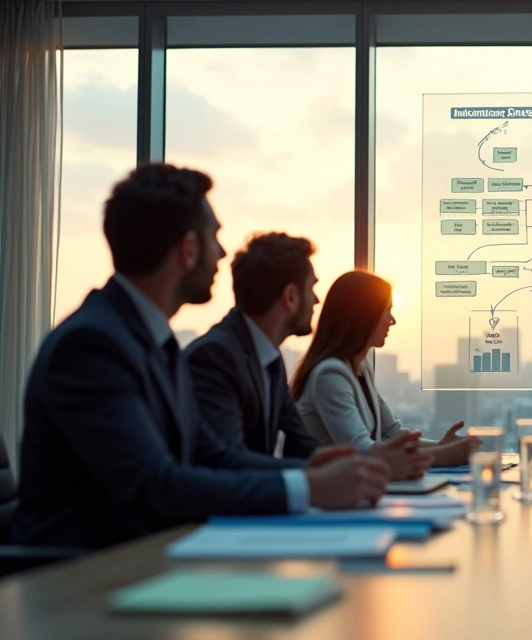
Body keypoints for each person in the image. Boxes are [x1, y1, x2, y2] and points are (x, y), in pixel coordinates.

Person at [12, 164, 390, 550]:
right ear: (189, 249)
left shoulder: (153, 341)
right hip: (83, 574)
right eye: (214, 236)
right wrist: (307, 486)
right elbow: (154, 485)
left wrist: (311, 469)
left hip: (146, 558)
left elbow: (211, 454)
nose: (223, 253)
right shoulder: (92, 345)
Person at [185, 233, 430, 480]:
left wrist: (358, 465)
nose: (316, 300)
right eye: (311, 288)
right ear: (291, 297)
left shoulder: (268, 359)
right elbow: (228, 462)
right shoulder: (215, 357)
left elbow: (306, 443)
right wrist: (342, 471)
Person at [291, 271, 478, 466]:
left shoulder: (362, 367)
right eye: (387, 310)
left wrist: (441, 445)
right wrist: (444, 455)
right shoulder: (329, 375)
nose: (392, 320)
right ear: (365, 315)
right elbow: (360, 451)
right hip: (330, 484)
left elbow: (391, 434)